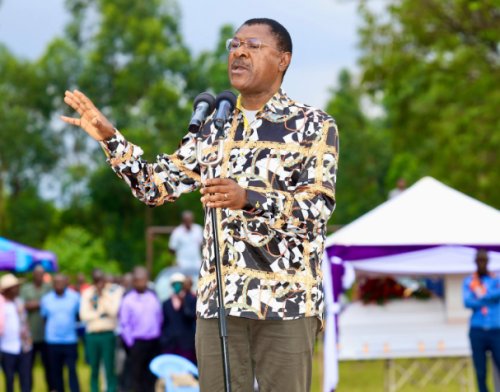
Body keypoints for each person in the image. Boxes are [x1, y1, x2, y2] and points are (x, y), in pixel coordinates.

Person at [62, 17, 338, 392]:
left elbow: (317, 209)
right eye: (234, 44)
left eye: (253, 46)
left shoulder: (314, 126)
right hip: (218, 306)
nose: (238, 52)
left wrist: (249, 198)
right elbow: (155, 187)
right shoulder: (214, 130)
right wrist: (111, 139)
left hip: (285, 303)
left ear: (283, 60)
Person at [80, 268, 123, 392]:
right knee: (94, 367)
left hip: (108, 334)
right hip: (92, 335)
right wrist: (100, 314)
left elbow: (113, 311)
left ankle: (110, 389)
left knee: (109, 367)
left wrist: (102, 295)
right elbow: (83, 315)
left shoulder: (114, 291)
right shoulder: (87, 292)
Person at [119, 267, 162, 392]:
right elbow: (124, 323)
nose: (141, 283)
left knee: (152, 375)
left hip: (153, 342)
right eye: (138, 280)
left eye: (143, 280)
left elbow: (159, 317)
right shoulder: (128, 300)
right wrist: (130, 342)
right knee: (137, 375)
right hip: (137, 343)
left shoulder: (153, 297)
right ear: (133, 281)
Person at [463, 249, 500, 392]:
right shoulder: (470, 281)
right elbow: (467, 302)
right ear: (475, 262)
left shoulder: (495, 279)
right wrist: (490, 298)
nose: (482, 263)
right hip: (477, 330)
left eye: (484, 260)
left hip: (496, 330)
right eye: (479, 260)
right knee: (480, 370)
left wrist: (479, 297)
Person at [41, 274, 81, 392]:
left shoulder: (75, 297)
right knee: (56, 371)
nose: (58, 284)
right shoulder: (46, 299)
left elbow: (79, 316)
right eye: (56, 282)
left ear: (66, 283)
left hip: (70, 340)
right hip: (53, 341)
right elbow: (44, 318)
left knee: (72, 369)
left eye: (60, 282)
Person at [20, 264, 53, 392]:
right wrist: (43, 302)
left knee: (48, 366)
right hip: (30, 335)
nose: (39, 276)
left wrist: (34, 303)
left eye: (41, 274)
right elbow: (23, 305)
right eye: (37, 274)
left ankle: (51, 388)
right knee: (28, 367)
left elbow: (52, 304)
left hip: (46, 335)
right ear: (33, 275)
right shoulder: (26, 288)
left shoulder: (48, 287)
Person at [0, 274, 33, 392]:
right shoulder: (2, 304)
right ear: (8, 289)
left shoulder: (19, 302)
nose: (17, 289)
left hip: (24, 347)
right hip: (7, 348)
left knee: (25, 379)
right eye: (15, 287)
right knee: (9, 379)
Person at [160, 273, 197, 364]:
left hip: (186, 343)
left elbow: (191, 316)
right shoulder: (166, 303)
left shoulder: (191, 300)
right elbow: (164, 322)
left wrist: (184, 303)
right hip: (170, 343)